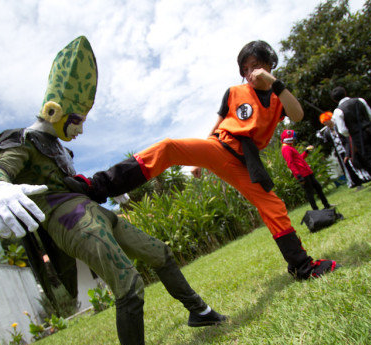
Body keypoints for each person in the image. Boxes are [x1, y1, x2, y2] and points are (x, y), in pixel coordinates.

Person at [0, 36, 226, 345]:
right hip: (68, 220)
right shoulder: (24, 142)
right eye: (77, 120)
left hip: (93, 211)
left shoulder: (61, 150)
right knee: (128, 282)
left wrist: (106, 191)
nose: (80, 129)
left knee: (159, 252)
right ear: (54, 111)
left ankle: (199, 311)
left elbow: (77, 184)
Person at [66, 40, 340, 281]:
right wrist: (199, 159)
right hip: (220, 146)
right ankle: (97, 186)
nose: (250, 73)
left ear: (269, 64)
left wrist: (274, 82)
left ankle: (301, 266)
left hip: (246, 163)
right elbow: (219, 124)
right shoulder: (234, 92)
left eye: (255, 65)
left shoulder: (279, 98)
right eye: (245, 69)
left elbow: (298, 115)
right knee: (169, 147)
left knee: (273, 206)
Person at [316, 111, 371, 189]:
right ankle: (357, 183)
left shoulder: (338, 126)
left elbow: (346, 138)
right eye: (324, 123)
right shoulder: (327, 132)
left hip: (348, 148)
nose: (326, 124)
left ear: (330, 119)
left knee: (356, 163)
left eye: (326, 121)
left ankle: (367, 177)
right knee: (348, 168)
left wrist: (348, 152)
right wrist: (321, 137)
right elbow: (326, 142)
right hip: (340, 152)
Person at [280, 129, 333, 210]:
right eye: (293, 138)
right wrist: (298, 176)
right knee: (309, 192)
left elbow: (299, 159)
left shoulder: (290, 147)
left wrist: (306, 152)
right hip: (302, 174)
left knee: (318, 187)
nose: (294, 140)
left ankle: (326, 204)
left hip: (307, 171)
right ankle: (315, 209)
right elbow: (290, 163)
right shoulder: (286, 149)